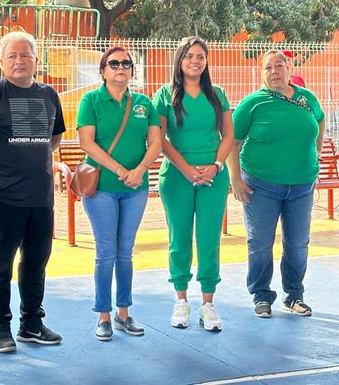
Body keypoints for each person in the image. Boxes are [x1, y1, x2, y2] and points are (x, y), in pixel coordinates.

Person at [0, 31, 67, 352]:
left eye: (25, 55)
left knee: (36, 262)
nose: (19, 61)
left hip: (40, 198)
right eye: (12, 56)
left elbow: (53, 139)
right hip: (1, 197)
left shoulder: (49, 95)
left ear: (37, 60)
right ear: (1, 61)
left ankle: (31, 324)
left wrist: (35, 164)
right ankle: (0, 327)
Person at [227, 50, 325, 319]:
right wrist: (235, 179)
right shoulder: (253, 103)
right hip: (261, 185)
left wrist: (315, 154)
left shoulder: (307, 98)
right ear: (261, 73)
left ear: (289, 67)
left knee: (297, 243)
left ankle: (294, 295)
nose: (274, 71)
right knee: (260, 242)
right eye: (268, 67)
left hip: (302, 186)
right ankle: (261, 295)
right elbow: (232, 142)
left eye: (279, 65)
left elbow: (320, 119)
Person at [77, 46, 161, 341]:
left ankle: (123, 313)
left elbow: (155, 142)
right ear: (103, 71)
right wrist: (119, 169)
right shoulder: (91, 100)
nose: (120, 67)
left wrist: (139, 170)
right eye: (114, 63)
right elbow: (87, 143)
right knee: (106, 253)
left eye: (126, 63)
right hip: (101, 189)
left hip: (134, 189)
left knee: (125, 252)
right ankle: (103, 315)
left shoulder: (143, 103)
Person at [154, 37, 233, 332]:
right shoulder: (164, 95)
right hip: (177, 177)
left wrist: (215, 166)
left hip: (213, 176)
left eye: (200, 56)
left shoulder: (217, 94)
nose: (195, 61)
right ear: (180, 60)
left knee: (209, 239)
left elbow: (228, 136)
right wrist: (186, 169)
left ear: (206, 61)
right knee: (180, 239)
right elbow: (160, 139)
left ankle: (208, 304)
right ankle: (182, 300)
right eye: (189, 56)